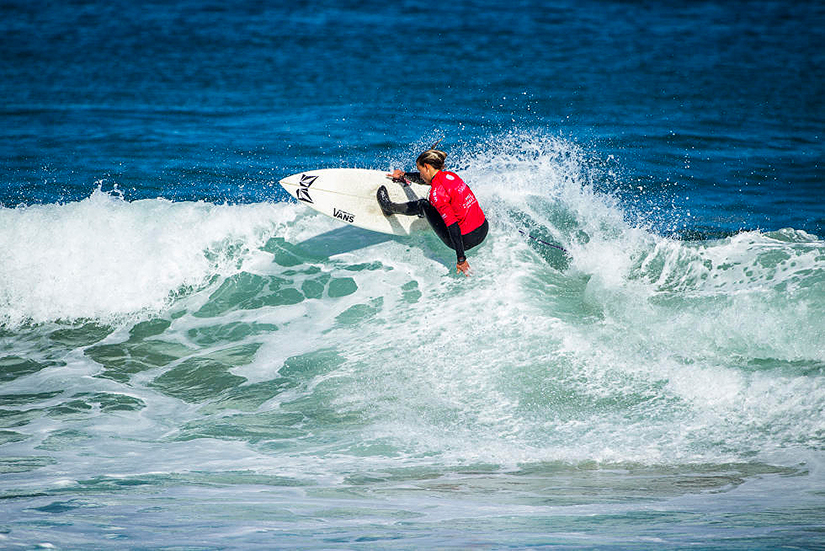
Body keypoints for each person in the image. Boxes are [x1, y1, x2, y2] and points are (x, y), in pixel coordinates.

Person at [378, 148, 488, 276]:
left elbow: (453, 226)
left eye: (420, 171)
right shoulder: (451, 176)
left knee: (423, 205)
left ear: (427, 166)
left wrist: (461, 259)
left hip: (466, 241)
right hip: (483, 229)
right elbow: (428, 180)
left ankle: (389, 208)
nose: (420, 175)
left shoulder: (437, 194)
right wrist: (403, 175)